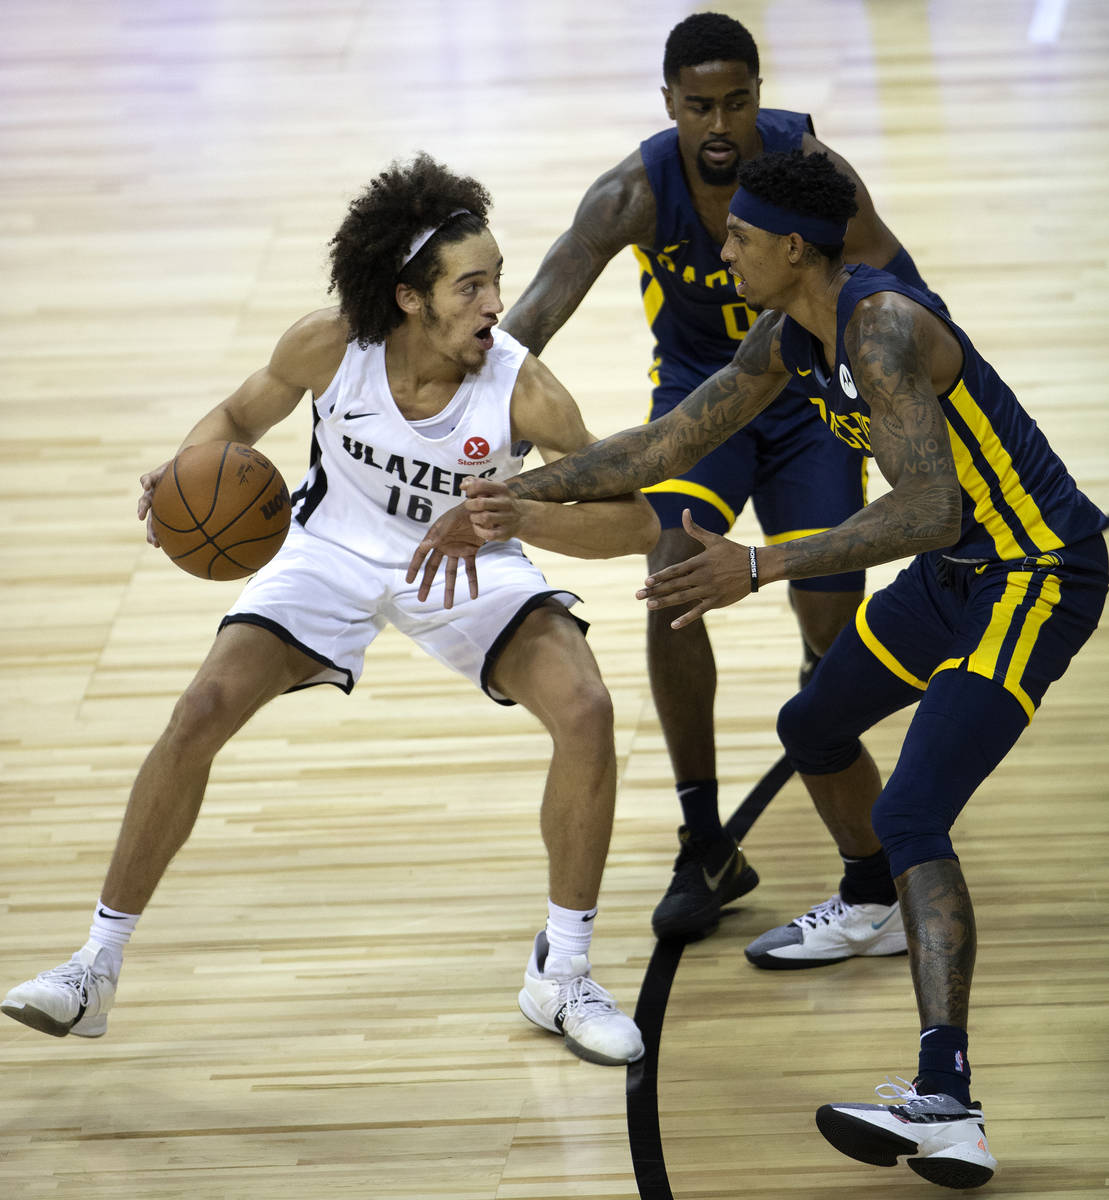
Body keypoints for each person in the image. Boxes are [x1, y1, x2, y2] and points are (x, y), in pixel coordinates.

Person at [410, 150, 1107, 1186]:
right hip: (957, 574)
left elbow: (928, 508)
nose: (717, 248)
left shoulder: (879, 326)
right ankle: (871, 900)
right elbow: (660, 445)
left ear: (791, 248)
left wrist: (758, 562)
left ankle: (947, 1103)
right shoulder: (790, 335)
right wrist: (520, 496)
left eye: (737, 235)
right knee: (811, 728)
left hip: (1033, 573)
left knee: (915, 810)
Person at [0, 154, 659, 1068]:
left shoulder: (525, 389)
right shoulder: (328, 346)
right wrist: (181, 472)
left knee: (586, 710)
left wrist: (522, 514)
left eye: (498, 279)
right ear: (408, 297)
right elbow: (232, 422)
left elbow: (634, 521)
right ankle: (93, 969)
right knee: (199, 710)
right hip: (329, 554)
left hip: (465, 563)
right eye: (471, 286)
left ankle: (564, 973)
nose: (495, 303)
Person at [500, 11, 945, 943]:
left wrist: (910, 382)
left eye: (736, 102)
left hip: (806, 399)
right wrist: (452, 406)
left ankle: (840, 776)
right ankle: (703, 836)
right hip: (706, 400)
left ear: (757, 96)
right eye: (697, 105)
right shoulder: (634, 189)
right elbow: (536, 309)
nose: (718, 124)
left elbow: (890, 268)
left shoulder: (802, 167)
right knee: (671, 576)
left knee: (830, 622)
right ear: (667, 104)